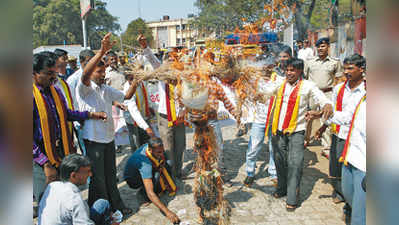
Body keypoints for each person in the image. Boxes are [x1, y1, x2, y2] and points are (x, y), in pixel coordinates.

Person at [258, 58, 333, 211]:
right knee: (279, 160)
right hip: (277, 130)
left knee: (295, 163)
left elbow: (320, 97)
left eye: (292, 70)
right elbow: (265, 92)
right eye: (287, 70)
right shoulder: (280, 83)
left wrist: (326, 104)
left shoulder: (307, 86)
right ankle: (281, 188)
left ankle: (292, 197)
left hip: (296, 131)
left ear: (300, 71)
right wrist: (255, 94)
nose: (289, 73)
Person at [75, 32, 138, 216]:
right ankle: (101, 211)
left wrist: (135, 81)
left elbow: (126, 96)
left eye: (104, 71)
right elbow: (85, 75)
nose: (103, 74)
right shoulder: (85, 88)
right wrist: (101, 51)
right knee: (99, 180)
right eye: (99, 71)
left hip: (108, 139)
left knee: (111, 177)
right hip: (93, 140)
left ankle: (116, 205)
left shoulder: (106, 88)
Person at [33, 52, 107, 203]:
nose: (53, 77)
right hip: (40, 157)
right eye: (48, 74)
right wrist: (45, 163)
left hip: (61, 153)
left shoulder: (55, 91)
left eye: (54, 73)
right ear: (34, 73)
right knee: (47, 200)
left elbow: (65, 114)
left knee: (66, 197)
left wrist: (90, 115)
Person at [312, 53, 366, 220]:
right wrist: (322, 116)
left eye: (351, 68)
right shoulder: (359, 98)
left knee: (360, 210)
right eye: (345, 69)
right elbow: (345, 117)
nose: (346, 72)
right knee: (348, 192)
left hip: (365, 163)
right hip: (350, 153)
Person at [38, 154, 120, 225]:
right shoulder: (74, 199)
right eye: (87, 172)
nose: (90, 174)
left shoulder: (52, 186)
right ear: (73, 175)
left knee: (102, 203)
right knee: (103, 205)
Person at [243, 57, 282, 187]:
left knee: (273, 147)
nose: (266, 69)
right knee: (253, 146)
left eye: (268, 66)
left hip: (274, 120)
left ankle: (273, 173)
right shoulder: (254, 81)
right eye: (263, 66)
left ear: (273, 66)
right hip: (258, 119)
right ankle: (250, 172)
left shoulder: (280, 81)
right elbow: (247, 95)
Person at [123, 137, 180, 224]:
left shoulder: (150, 147)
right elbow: (150, 192)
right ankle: (142, 195)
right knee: (156, 176)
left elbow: (163, 158)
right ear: (150, 150)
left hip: (143, 169)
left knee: (168, 163)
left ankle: (158, 186)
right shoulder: (145, 164)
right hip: (133, 180)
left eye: (162, 151)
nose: (161, 154)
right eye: (159, 152)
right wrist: (168, 212)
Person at [304, 37, 344, 155]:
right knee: (308, 117)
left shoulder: (335, 62)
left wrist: (336, 95)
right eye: (319, 46)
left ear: (328, 47)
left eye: (323, 46)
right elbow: (305, 78)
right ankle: (305, 139)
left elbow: (338, 79)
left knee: (326, 118)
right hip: (312, 94)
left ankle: (326, 147)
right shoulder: (309, 61)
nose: (320, 49)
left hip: (327, 93)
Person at [123, 72, 155, 151]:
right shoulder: (127, 89)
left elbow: (146, 95)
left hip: (144, 115)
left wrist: (150, 107)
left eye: (134, 78)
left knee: (146, 141)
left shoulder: (141, 83)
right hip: (132, 120)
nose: (133, 82)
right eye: (130, 79)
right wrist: (147, 128)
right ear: (127, 79)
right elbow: (134, 111)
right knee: (136, 144)